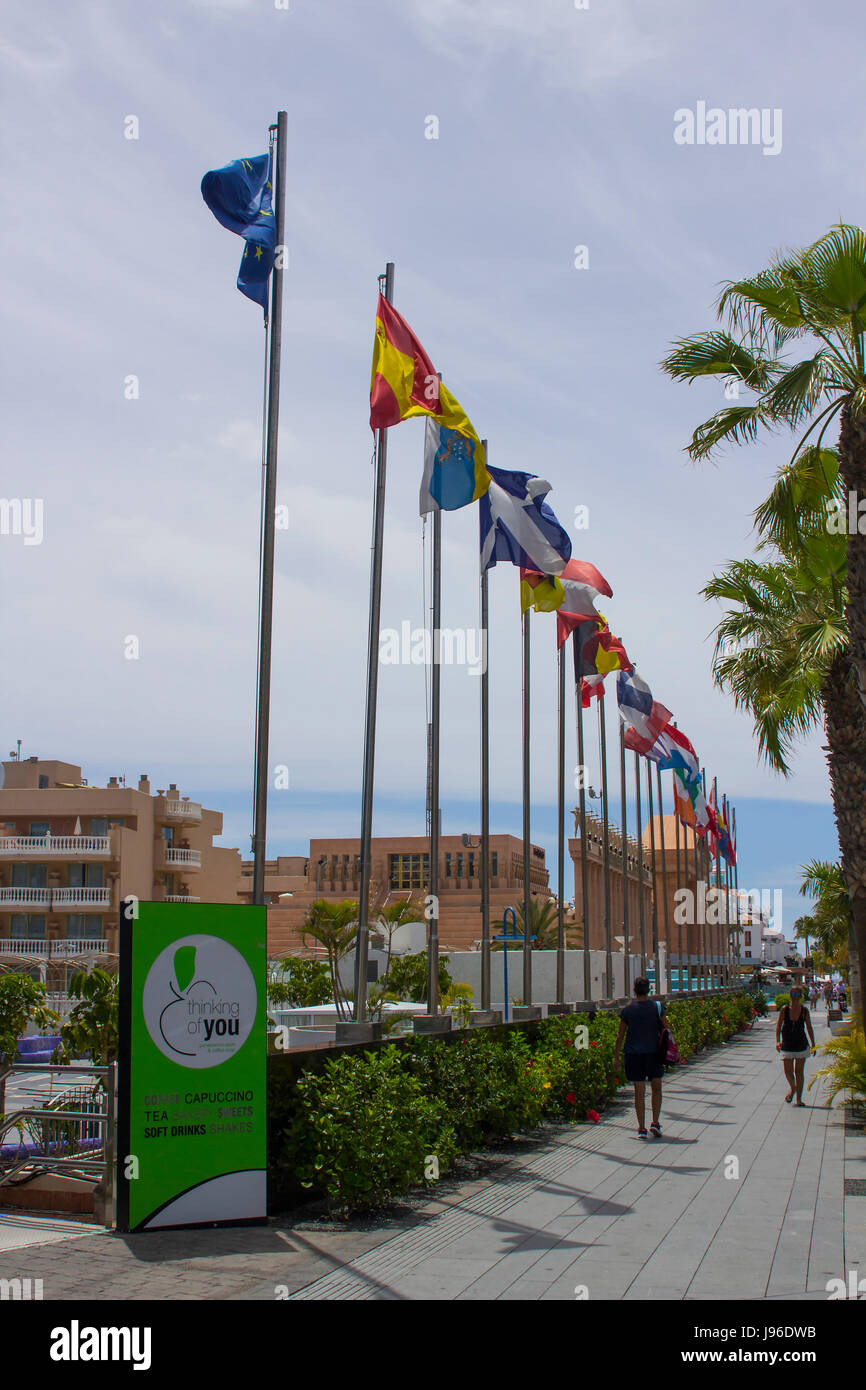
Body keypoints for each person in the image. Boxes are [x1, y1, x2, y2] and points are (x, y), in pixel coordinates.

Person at [614, 977, 665, 1138]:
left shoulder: (628, 1010)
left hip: (634, 1055)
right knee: (656, 1088)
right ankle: (655, 1122)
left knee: (639, 1091)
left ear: (634, 990)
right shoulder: (657, 1008)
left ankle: (641, 1127)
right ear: (649, 989)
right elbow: (666, 1029)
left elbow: (620, 1035)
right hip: (654, 1053)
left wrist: (616, 1056)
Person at [775, 987, 816, 1106]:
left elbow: (809, 1027)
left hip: (800, 1043)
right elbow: (778, 1026)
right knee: (788, 1071)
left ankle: (798, 1098)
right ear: (790, 995)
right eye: (793, 993)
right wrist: (778, 1041)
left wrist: (813, 1043)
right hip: (787, 1043)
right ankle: (793, 1088)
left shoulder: (804, 1011)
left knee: (799, 1072)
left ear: (801, 996)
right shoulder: (785, 1009)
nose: (795, 996)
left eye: (797, 993)